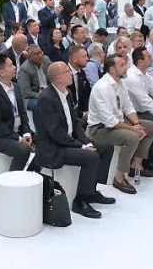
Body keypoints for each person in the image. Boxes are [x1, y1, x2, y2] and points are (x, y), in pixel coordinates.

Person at [34, 61, 116, 220]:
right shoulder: (46, 98)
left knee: (107, 148)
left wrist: (86, 141)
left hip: (68, 141)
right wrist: (82, 146)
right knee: (91, 157)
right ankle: (80, 201)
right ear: (59, 77)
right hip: (54, 147)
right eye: (67, 71)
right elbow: (55, 133)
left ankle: (91, 190)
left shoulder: (67, 93)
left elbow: (75, 123)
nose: (71, 74)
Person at [85, 55, 153, 194]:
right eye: (122, 65)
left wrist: (137, 124)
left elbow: (128, 107)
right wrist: (133, 129)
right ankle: (119, 178)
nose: (126, 67)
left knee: (151, 127)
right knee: (132, 137)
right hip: (99, 129)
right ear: (112, 69)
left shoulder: (121, 83)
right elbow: (109, 121)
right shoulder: (102, 87)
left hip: (118, 122)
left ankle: (136, 165)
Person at [0, 53, 35, 171]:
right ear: (1, 72)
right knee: (23, 150)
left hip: (16, 131)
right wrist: (19, 138)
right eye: (11, 65)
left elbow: (22, 113)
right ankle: (12, 179)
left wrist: (26, 133)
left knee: (44, 142)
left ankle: (30, 174)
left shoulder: (16, 87)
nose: (15, 67)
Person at [16, 45, 51, 110]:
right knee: (44, 104)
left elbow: (53, 77)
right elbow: (26, 93)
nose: (40, 55)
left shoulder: (46, 60)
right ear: (29, 58)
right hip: (33, 97)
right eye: (36, 54)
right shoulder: (24, 69)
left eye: (41, 52)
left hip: (48, 91)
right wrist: (43, 95)